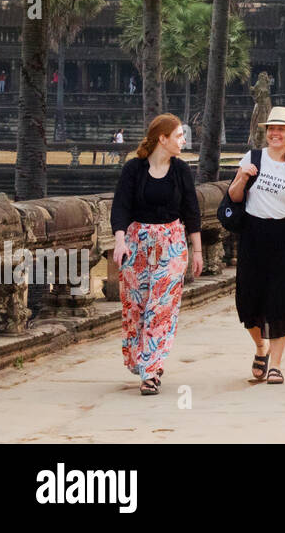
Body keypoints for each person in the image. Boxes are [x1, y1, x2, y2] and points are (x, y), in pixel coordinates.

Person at [111, 114, 202, 396]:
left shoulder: (181, 171)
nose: (183, 141)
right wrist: (119, 241)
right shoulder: (134, 170)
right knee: (136, 307)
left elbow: (192, 211)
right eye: (178, 136)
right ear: (162, 139)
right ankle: (143, 359)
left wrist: (197, 250)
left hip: (172, 243)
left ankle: (150, 370)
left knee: (161, 308)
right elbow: (121, 207)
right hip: (137, 243)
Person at [229, 106, 285, 385]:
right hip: (254, 232)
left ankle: (276, 364)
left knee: (281, 300)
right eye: (271, 129)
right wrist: (242, 176)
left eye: (281, 129)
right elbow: (235, 196)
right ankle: (260, 347)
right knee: (248, 299)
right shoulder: (252, 158)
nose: (275, 133)